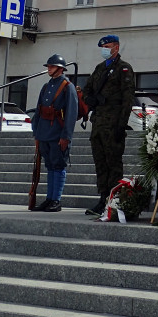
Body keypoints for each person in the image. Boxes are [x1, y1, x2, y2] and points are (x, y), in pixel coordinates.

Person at [83, 34, 136, 216]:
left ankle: (114, 200)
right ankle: (102, 197)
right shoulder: (99, 69)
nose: (104, 49)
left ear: (116, 47)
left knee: (113, 163)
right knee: (100, 162)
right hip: (98, 123)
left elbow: (128, 99)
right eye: (103, 46)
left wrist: (121, 125)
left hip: (113, 124)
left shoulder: (124, 69)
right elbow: (87, 89)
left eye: (108, 46)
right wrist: (91, 103)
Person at [31, 54, 78, 212]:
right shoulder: (46, 86)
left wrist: (66, 136)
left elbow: (71, 113)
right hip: (44, 132)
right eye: (48, 66)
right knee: (50, 166)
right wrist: (36, 132)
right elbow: (38, 110)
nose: (48, 69)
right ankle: (49, 199)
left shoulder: (67, 86)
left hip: (58, 133)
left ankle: (56, 200)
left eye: (51, 66)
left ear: (60, 68)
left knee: (58, 166)